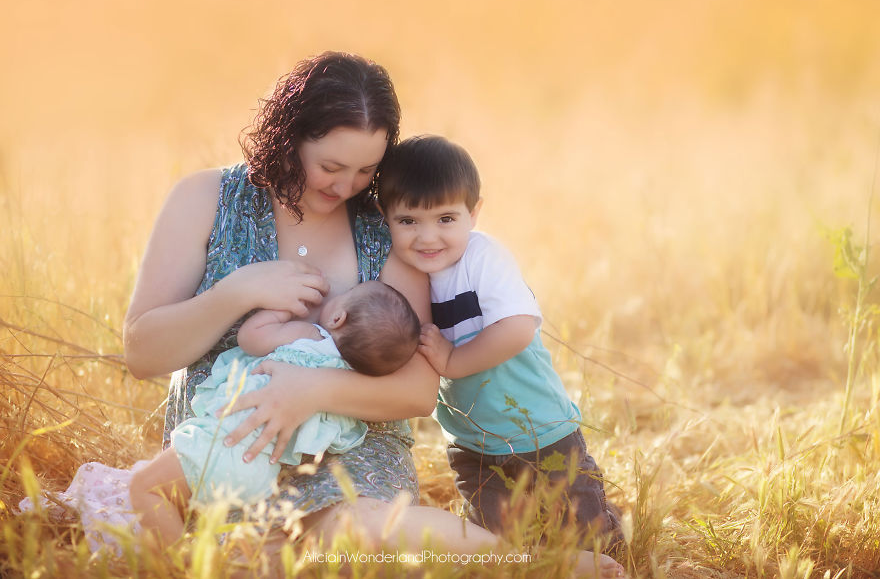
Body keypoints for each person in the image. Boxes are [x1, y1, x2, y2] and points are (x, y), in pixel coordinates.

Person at [122, 51, 624, 577]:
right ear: (287, 138)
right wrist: (236, 292)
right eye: (330, 167)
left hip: (351, 446)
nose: (346, 187)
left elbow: (416, 392)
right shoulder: (206, 199)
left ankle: (531, 567)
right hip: (229, 441)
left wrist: (310, 391)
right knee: (253, 560)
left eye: (366, 170)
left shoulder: (388, 227)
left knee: (357, 536)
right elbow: (142, 353)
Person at [377, 135, 625, 555]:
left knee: (587, 533)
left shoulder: (482, 257)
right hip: (472, 446)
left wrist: (453, 361)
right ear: (385, 217)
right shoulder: (404, 274)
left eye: (446, 218)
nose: (427, 237)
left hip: (540, 431)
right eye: (408, 221)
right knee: (504, 543)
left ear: (474, 213)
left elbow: (516, 328)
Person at [129, 280, 421, 546]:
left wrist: (282, 309)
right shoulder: (344, 380)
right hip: (261, 473)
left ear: (337, 318)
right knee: (252, 549)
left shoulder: (311, 335)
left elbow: (251, 338)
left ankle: (180, 567)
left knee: (145, 489)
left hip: (223, 443)